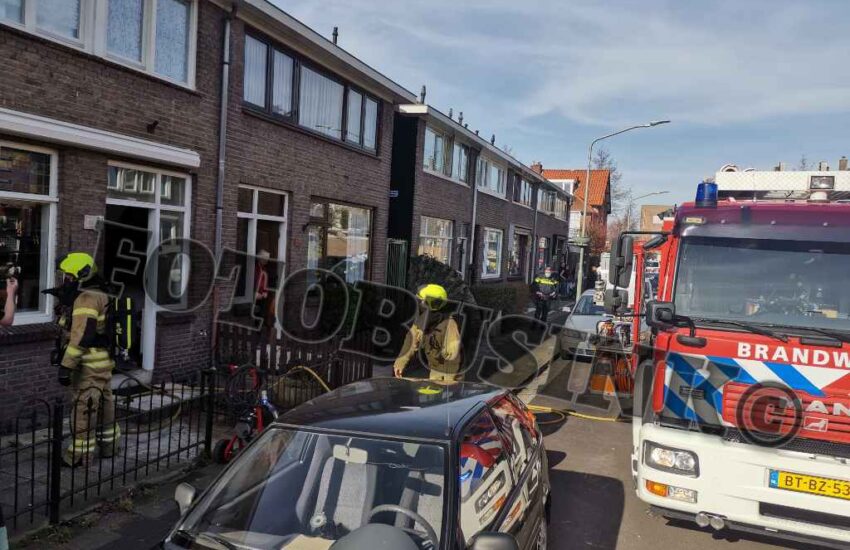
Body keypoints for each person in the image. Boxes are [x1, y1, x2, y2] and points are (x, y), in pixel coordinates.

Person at [55, 253, 120, 467]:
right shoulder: (102, 293)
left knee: (85, 408)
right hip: (104, 362)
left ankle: (77, 456)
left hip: (88, 365)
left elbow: (82, 335)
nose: (66, 279)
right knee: (106, 405)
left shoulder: (86, 298)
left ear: (79, 275)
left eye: (68, 276)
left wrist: (66, 366)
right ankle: (110, 447)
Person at [393, 284, 462, 382]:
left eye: (421, 301)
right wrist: (400, 364)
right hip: (435, 367)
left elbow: (453, 357)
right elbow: (411, 341)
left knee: (442, 394)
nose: (419, 304)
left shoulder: (449, 325)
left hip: (449, 372)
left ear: (431, 304)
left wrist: (449, 384)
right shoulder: (422, 321)